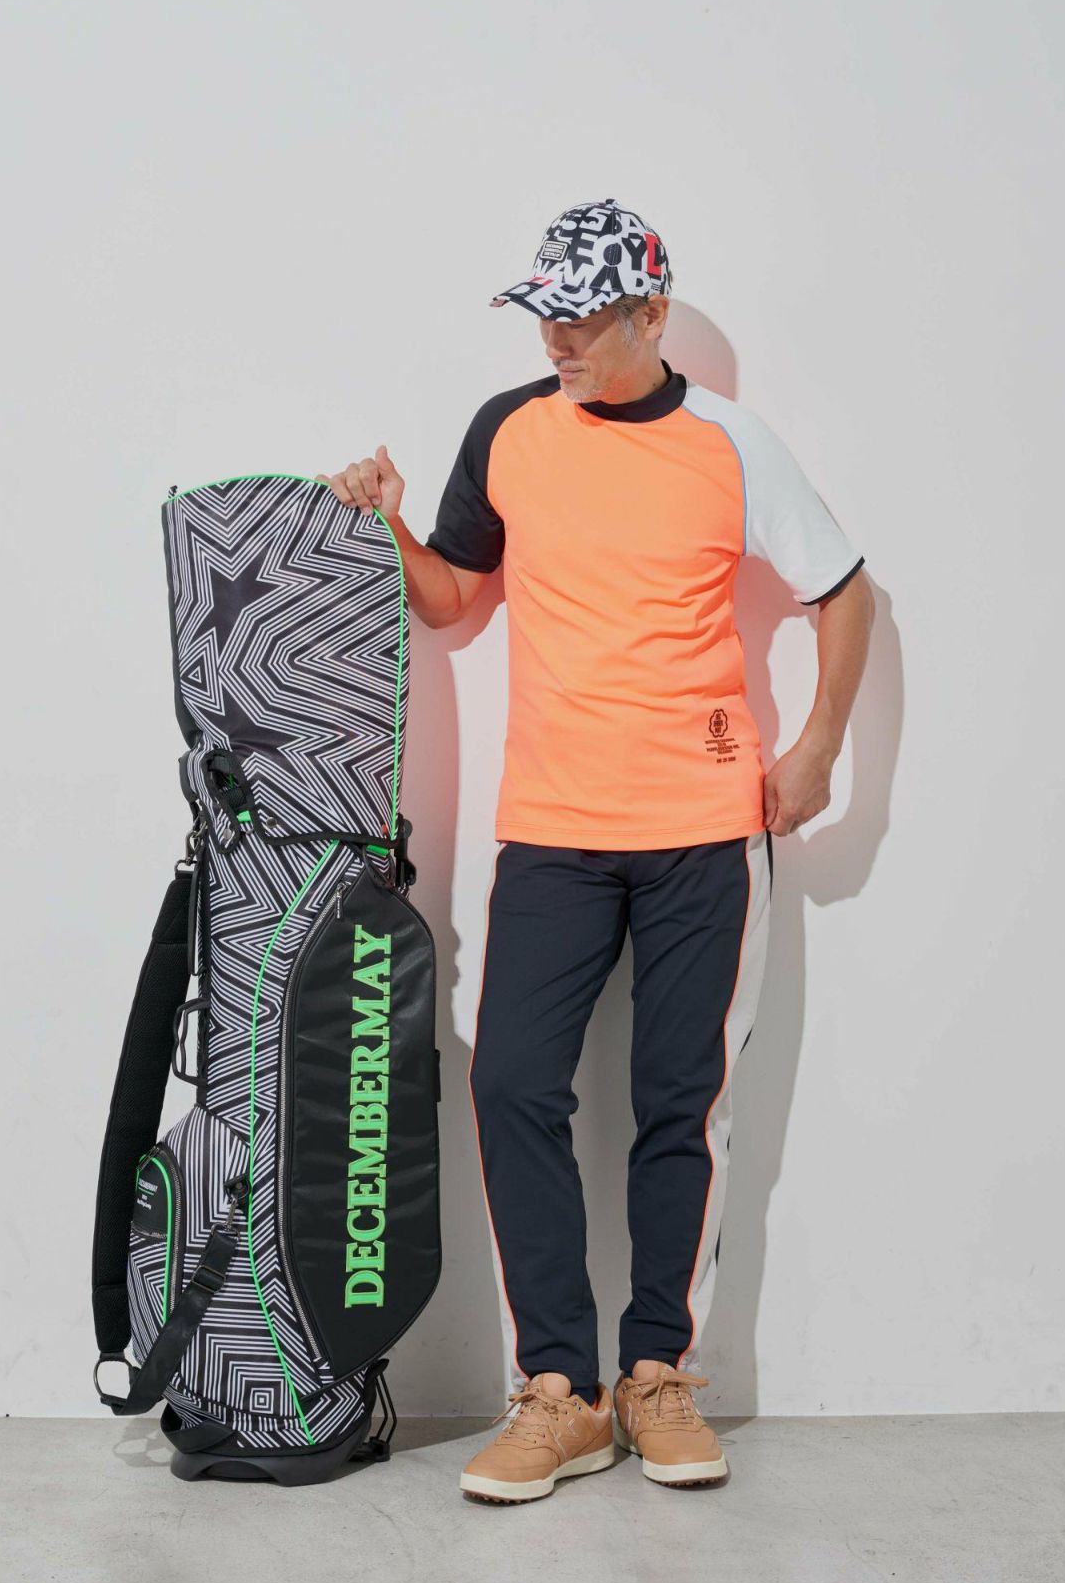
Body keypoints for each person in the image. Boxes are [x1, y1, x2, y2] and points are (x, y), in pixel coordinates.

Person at [319, 196, 874, 1505]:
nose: (555, 339)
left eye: (581, 317)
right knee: (512, 1082)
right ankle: (559, 1394)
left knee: (683, 1104)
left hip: (705, 835)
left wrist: (818, 749)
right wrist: (390, 521)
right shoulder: (509, 430)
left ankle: (658, 1377)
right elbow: (456, 598)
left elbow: (844, 590)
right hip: (554, 832)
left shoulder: (730, 442)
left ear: (650, 313)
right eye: (544, 315)